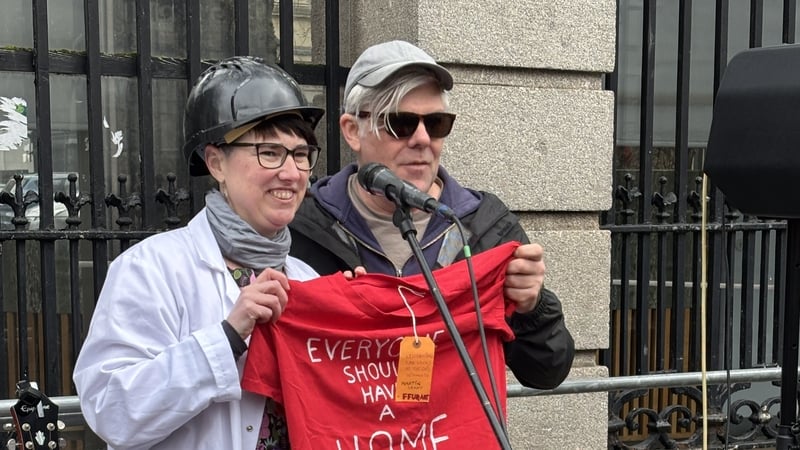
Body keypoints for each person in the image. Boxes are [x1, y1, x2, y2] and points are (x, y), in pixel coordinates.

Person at [288, 40, 575, 390]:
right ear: (352, 130)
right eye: (400, 123)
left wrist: (531, 305)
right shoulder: (302, 226)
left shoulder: (483, 226)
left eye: (437, 123)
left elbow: (546, 371)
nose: (423, 140)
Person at [73, 56, 324, 449]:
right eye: (270, 152)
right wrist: (226, 338)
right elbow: (112, 410)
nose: (291, 173)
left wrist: (351, 319)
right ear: (215, 162)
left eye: (301, 154)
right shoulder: (149, 269)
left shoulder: (309, 281)